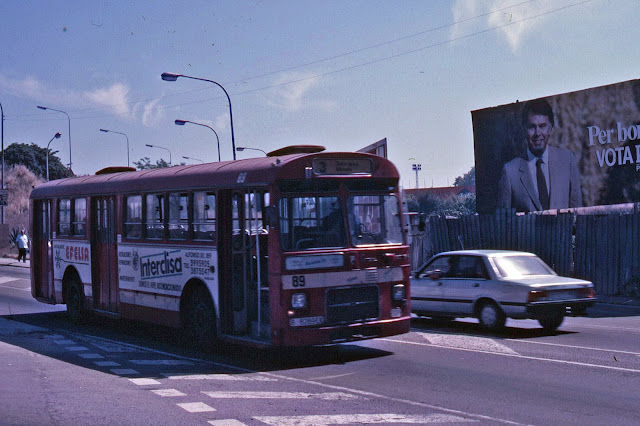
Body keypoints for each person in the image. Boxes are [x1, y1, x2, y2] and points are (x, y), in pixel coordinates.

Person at [497, 98, 582, 213]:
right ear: (524, 129)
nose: (537, 133)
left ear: (550, 128)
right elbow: (503, 220)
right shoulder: (510, 171)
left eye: (542, 126)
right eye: (532, 127)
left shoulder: (567, 161)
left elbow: (578, 212)